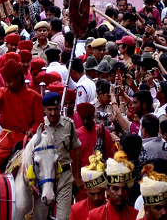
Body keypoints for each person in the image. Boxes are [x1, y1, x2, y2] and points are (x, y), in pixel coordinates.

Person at [0, 59, 44, 170]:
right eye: (5, 81)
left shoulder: (35, 97)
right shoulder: (3, 92)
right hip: (6, 141)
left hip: (28, 141)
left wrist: (31, 130)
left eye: (9, 81)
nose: (6, 85)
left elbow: (39, 122)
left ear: (19, 78)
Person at [42, 92, 83, 220]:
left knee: (63, 218)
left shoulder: (68, 124)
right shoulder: (39, 126)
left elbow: (77, 150)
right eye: (49, 110)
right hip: (44, 178)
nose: (53, 113)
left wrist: (77, 177)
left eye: (55, 109)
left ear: (60, 107)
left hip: (64, 177)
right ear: (44, 110)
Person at [86, 152, 138, 220]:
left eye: (124, 189)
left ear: (128, 191)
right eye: (115, 189)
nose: (120, 193)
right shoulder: (95, 216)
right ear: (107, 191)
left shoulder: (136, 215)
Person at [69, 151, 107, 220]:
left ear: (105, 189)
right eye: (92, 194)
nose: (96, 198)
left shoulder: (113, 207)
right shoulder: (76, 210)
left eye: (99, 193)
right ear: (86, 191)